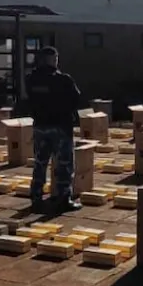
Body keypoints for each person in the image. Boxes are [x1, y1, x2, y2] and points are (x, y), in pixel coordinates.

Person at [25, 46, 82, 213]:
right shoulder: (63, 80)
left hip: (40, 127)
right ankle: (64, 198)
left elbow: (29, 100)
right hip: (60, 128)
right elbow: (76, 99)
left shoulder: (31, 79)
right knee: (64, 164)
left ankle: (36, 196)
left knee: (40, 163)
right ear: (53, 60)